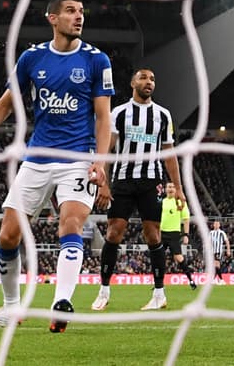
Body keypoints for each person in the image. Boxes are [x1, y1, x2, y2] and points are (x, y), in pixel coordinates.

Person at [0, 0, 114, 331]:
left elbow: (103, 118)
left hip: (78, 157)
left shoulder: (97, 60)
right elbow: (5, 105)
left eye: (82, 11)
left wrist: (100, 161)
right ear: (52, 18)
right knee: (7, 236)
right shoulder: (32, 58)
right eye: (71, 11)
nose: (79, 17)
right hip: (38, 156)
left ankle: (62, 301)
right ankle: (11, 308)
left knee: (70, 223)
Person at [91, 68, 188, 313]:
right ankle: (104, 290)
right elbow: (106, 148)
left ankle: (159, 293)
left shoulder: (163, 115)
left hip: (151, 181)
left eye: (153, 79)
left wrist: (178, 188)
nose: (149, 82)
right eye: (144, 78)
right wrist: (103, 182)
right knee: (114, 233)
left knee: (153, 236)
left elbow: (169, 155)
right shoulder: (119, 113)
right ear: (133, 82)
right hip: (123, 179)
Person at [159, 182, 197, 288]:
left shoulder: (180, 202)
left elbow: (186, 219)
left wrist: (186, 235)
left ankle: (191, 280)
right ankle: (159, 284)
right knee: (159, 258)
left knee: (179, 257)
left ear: (176, 190)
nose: (171, 189)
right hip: (162, 233)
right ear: (165, 189)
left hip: (174, 234)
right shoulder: (162, 202)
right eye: (169, 187)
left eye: (173, 187)